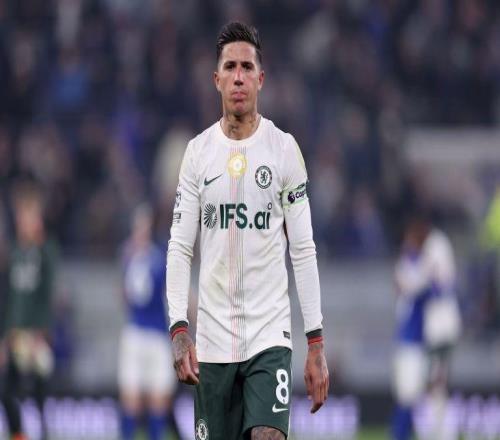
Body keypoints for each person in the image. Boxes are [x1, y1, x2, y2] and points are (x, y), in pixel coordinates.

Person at [166, 21, 329, 440]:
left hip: (269, 336)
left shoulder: (283, 150)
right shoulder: (198, 154)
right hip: (212, 341)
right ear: (216, 79)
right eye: (230, 67)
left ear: (261, 78)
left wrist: (315, 342)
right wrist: (179, 328)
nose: (238, 76)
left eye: (247, 67)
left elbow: (303, 249)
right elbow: (180, 247)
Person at [391, 212, 460, 440]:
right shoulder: (410, 262)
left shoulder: (429, 252)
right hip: (414, 338)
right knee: (411, 393)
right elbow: (409, 285)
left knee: (433, 389)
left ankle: (440, 434)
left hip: (431, 336)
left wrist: (428, 273)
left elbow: (429, 284)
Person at [1, 183, 57, 440]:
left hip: (35, 332)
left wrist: (41, 331)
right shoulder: (13, 252)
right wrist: (4, 335)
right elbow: (8, 297)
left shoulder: (45, 251)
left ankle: (44, 432)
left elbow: (47, 294)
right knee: (6, 390)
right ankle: (19, 434)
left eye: (29, 216)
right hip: (15, 332)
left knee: (39, 385)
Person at [117, 203, 178, 440]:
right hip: (142, 332)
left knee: (154, 398)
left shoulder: (132, 256)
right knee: (141, 398)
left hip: (151, 333)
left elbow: (123, 295)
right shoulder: (156, 256)